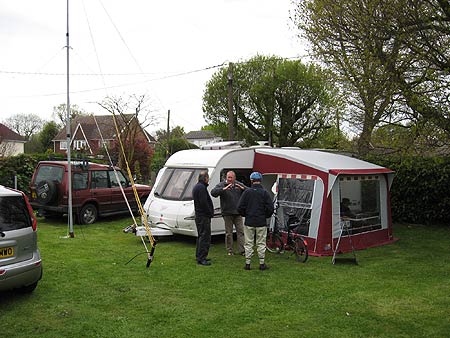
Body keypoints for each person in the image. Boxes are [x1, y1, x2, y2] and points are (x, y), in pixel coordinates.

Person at [237, 172, 274, 271]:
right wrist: (265, 215)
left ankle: (248, 263)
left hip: (249, 221)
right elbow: (270, 208)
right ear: (260, 180)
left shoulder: (247, 192)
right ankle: (262, 264)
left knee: (248, 243)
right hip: (261, 221)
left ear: (251, 180)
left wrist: (246, 214)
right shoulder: (264, 193)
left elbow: (240, 207)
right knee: (261, 243)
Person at [211, 171, 246, 256]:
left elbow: (249, 191)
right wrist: (223, 189)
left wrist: (243, 189)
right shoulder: (222, 185)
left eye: (231, 177)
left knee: (240, 232)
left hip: (238, 213)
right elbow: (213, 193)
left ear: (234, 178)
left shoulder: (238, 184)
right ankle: (230, 250)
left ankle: (242, 250)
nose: (229, 179)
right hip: (227, 213)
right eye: (228, 177)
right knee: (229, 233)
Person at [192, 170, 214, 266]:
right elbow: (203, 203)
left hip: (200, 215)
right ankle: (202, 258)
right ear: (205, 178)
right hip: (203, 216)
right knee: (205, 236)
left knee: (201, 236)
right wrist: (209, 212)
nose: (208, 180)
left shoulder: (197, 187)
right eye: (208, 178)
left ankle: (199, 255)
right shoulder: (201, 188)